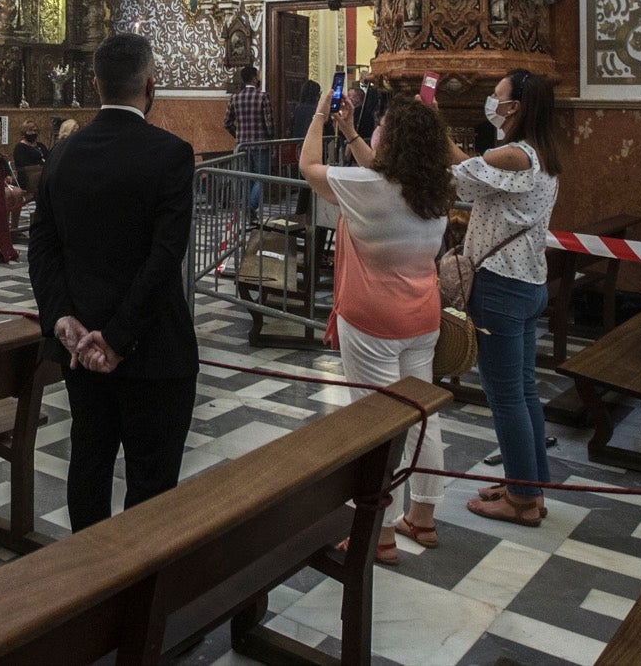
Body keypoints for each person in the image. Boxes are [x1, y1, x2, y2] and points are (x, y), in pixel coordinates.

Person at [28, 33, 197, 531]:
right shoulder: (171, 154)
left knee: (89, 467)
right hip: (154, 352)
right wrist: (119, 339)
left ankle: (88, 587)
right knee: (151, 486)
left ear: (94, 83)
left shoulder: (61, 155)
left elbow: (43, 248)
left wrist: (63, 321)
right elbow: (165, 257)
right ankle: (139, 597)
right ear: (150, 85)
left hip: (82, 351)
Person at [299, 94, 455, 564]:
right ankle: (422, 515)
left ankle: (380, 533)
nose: (378, 130)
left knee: (375, 424)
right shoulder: (432, 188)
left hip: (372, 322)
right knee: (420, 414)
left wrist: (322, 114)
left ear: (395, 140)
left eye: (382, 125)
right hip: (421, 317)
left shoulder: (367, 188)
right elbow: (380, 174)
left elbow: (308, 166)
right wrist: (351, 134)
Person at [445, 69, 561, 527]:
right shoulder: (542, 152)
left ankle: (521, 498)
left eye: (497, 98)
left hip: (501, 285)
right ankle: (531, 483)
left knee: (506, 394)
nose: (492, 104)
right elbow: (473, 177)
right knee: (524, 390)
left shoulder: (513, 154)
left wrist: (430, 131)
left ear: (515, 107)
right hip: (528, 282)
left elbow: (460, 172)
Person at [223, 64, 273, 218]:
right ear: (253, 78)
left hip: (242, 144)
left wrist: (238, 135)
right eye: (257, 76)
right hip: (260, 143)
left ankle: (247, 210)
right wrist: (271, 140)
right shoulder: (262, 97)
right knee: (262, 177)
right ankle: (251, 206)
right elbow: (269, 123)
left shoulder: (235, 98)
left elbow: (226, 122)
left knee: (247, 177)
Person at [12, 119, 50, 190]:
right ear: (24, 133)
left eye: (35, 131)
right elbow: (24, 165)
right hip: (28, 177)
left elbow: (49, 158)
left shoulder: (41, 145)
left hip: (44, 174)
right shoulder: (20, 147)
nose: (33, 133)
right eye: (30, 131)